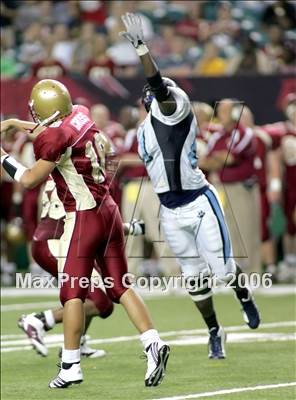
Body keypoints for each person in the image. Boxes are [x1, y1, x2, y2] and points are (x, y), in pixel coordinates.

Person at [0, 80, 170, 388]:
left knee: (72, 295)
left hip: (82, 217)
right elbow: (51, 129)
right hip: (110, 210)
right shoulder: (80, 114)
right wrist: (13, 124)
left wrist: (1, 155)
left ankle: (70, 366)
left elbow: (27, 179)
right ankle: (152, 343)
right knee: (120, 287)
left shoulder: (55, 136)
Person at [120, 13, 260, 360]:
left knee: (224, 271)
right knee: (194, 281)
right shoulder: (142, 131)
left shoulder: (175, 109)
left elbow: (157, 86)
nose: (159, 96)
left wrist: (142, 50)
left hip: (199, 201)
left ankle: (244, 295)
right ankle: (214, 330)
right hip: (170, 209)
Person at [18, 176, 145, 358]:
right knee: (102, 303)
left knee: (88, 294)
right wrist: (127, 228)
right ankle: (39, 320)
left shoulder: (64, 171)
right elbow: (92, 221)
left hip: (58, 240)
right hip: (57, 243)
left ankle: (79, 343)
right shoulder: (78, 174)